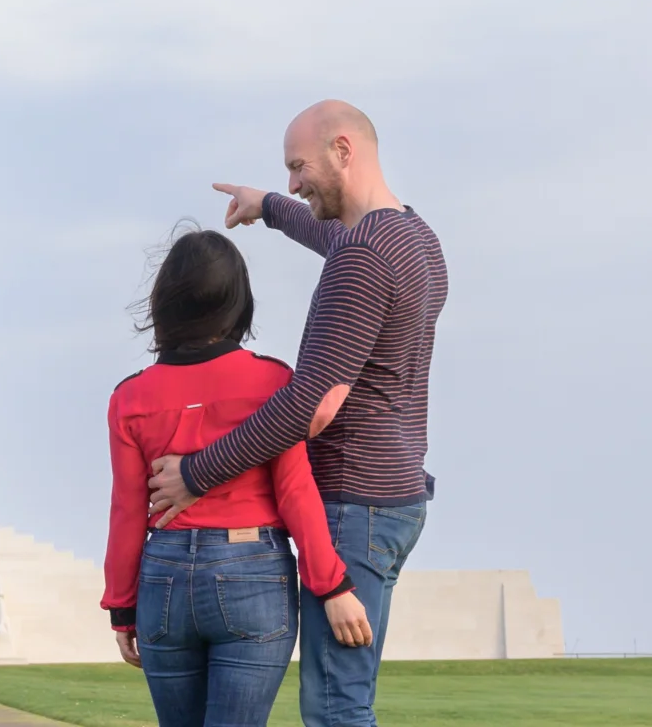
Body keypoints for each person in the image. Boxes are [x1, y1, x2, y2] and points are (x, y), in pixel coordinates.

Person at [145, 101, 447, 727]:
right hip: (395, 497)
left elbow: (299, 410)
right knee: (347, 697)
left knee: (337, 708)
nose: (293, 182)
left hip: (350, 503)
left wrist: (197, 473)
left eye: (298, 167)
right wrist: (270, 207)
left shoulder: (362, 261)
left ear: (344, 150)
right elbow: (338, 241)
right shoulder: (414, 237)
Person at [105, 226, 373, 727]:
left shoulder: (129, 398)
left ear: (164, 302)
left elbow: (126, 511)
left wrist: (121, 606)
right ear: (238, 302)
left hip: (161, 581)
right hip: (252, 572)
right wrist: (332, 585)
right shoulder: (271, 379)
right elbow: (295, 492)